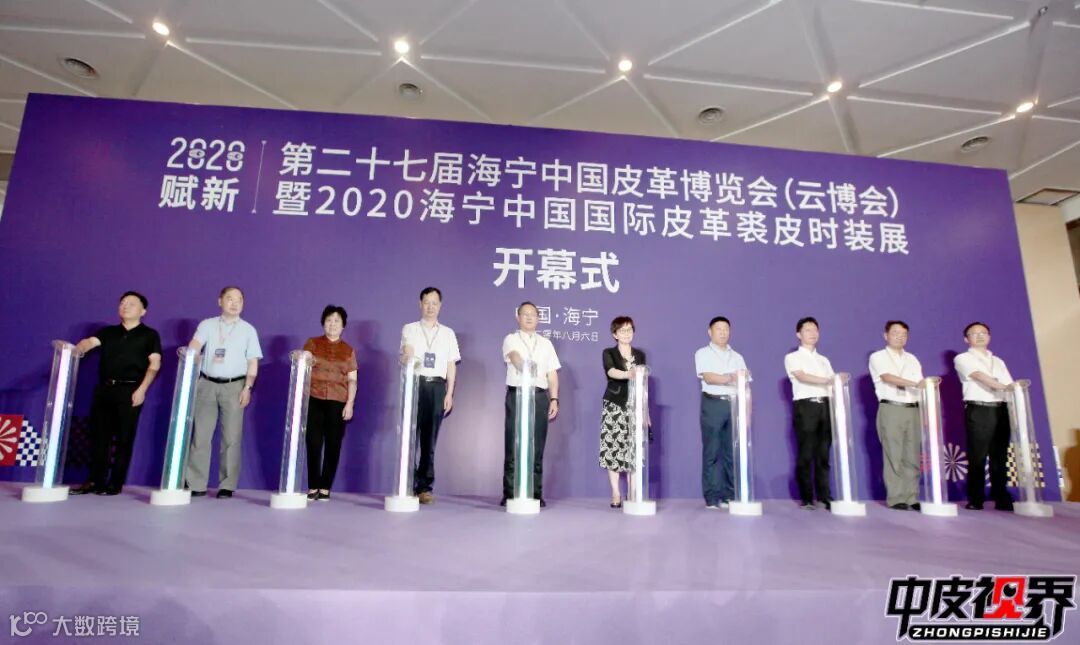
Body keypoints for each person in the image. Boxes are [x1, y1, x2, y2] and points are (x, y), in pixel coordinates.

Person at [70, 291, 162, 496]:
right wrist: (79, 348)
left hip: (130, 390)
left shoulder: (150, 335)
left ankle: (115, 483)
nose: (125, 306)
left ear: (143, 311)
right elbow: (89, 342)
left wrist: (142, 390)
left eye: (131, 303)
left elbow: (155, 364)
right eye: (122, 303)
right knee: (98, 437)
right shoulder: (107, 332)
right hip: (104, 389)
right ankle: (94, 481)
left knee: (124, 438)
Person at [185, 286, 262, 499]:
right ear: (220, 301)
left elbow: (252, 362)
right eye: (230, 298)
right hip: (206, 384)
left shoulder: (248, 330)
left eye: (239, 300)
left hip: (234, 386)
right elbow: (195, 345)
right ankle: (196, 483)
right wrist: (192, 355)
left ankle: (227, 484)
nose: (234, 303)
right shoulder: (207, 325)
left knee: (232, 437)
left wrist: (248, 387)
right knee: (201, 435)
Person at [400, 287, 460, 505]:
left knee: (429, 441)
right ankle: (406, 484)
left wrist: (449, 393)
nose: (431, 307)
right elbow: (406, 350)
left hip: (436, 387)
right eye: (427, 302)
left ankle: (424, 487)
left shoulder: (448, 333)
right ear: (420, 304)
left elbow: (451, 365)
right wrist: (408, 356)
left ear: (440, 306)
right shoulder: (410, 328)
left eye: (435, 303)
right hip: (415, 384)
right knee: (409, 437)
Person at [501, 302, 561, 507]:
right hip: (517, 394)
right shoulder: (511, 339)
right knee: (513, 444)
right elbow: (514, 357)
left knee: (537, 445)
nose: (529, 317)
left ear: (538, 318)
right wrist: (525, 367)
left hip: (539, 396)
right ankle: (510, 493)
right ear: (518, 317)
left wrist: (554, 398)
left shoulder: (546, 344)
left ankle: (535, 493)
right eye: (525, 314)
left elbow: (552, 374)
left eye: (533, 314)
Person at [953, 321, 1014, 511]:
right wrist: (1001, 385)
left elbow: (1010, 384)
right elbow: (979, 375)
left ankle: (1000, 495)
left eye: (984, 333)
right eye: (974, 333)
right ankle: (976, 498)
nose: (980, 336)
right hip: (979, 409)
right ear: (966, 339)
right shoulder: (963, 358)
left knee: (1000, 455)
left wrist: (1008, 391)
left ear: (989, 336)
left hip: (1001, 408)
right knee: (978, 455)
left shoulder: (998, 361)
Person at [868, 320, 924, 511]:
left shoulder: (912, 359)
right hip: (891, 408)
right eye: (895, 333)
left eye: (904, 334)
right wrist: (915, 384)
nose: (900, 337)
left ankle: (912, 496)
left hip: (913, 408)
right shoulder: (878, 356)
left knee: (912, 454)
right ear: (886, 335)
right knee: (894, 454)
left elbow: (921, 385)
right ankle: (896, 497)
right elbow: (887, 377)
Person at [303, 305, 357, 501]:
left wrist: (350, 403)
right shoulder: (312, 343)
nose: (332, 324)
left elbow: (352, 380)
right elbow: (304, 362)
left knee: (333, 444)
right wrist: (305, 358)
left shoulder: (348, 350)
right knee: (313, 443)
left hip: (338, 401)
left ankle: (325, 487)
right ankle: (313, 486)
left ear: (343, 326)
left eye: (336, 321)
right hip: (314, 398)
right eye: (329, 320)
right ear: (323, 323)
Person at [694, 316, 748, 509]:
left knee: (730, 453)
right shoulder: (702, 353)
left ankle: (728, 496)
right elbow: (709, 377)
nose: (723, 332)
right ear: (710, 332)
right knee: (711, 452)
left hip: (734, 404)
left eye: (726, 329)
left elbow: (746, 382)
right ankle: (711, 497)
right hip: (713, 403)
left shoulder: (738, 357)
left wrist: (747, 413)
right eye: (719, 329)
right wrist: (731, 377)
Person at [784, 316, 835, 510]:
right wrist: (827, 380)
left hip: (825, 405)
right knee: (806, 454)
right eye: (807, 330)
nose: (812, 333)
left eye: (815, 330)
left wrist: (832, 382)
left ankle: (824, 496)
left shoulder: (824, 360)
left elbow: (833, 382)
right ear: (799, 334)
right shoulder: (792, 357)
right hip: (806, 407)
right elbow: (802, 376)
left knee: (823, 454)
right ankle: (806, 497)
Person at [599, 316, 646, 508]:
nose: (627, 333)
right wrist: (628, 374)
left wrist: (645, 411)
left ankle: (633, 492)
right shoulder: (609, 352)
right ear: (615, 334)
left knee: (633, 450)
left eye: (629, 329)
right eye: (622, 330)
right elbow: (611, 371)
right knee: (613, 449)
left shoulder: (640, 355)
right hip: (614, 404)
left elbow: (642, 383)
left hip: (635, 405)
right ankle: (616, 493)